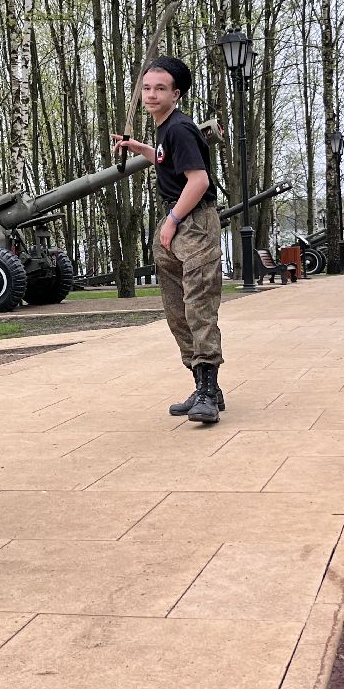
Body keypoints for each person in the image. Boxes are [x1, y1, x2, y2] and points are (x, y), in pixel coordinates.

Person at [111, 56, 225, 423]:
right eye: (146, 87)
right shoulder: (165, 130)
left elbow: (199, 181)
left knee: (198, 308)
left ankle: (208, 391)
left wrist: (173, 220)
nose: (151, 94)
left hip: (194, 223)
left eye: (160, 88)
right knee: (177, 311)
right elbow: (167, 161)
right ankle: (203, 386)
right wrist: (141, 149)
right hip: (178, 224)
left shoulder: (179, 128)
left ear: (176, 94)